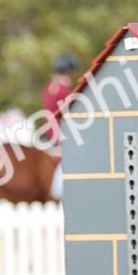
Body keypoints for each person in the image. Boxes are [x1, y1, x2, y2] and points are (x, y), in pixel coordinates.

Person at [41, 52, 80, 200]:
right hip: (60, 132)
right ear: (69, 71)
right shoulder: (64, 90)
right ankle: (59, 190)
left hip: (48, 131)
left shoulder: (49, 87)